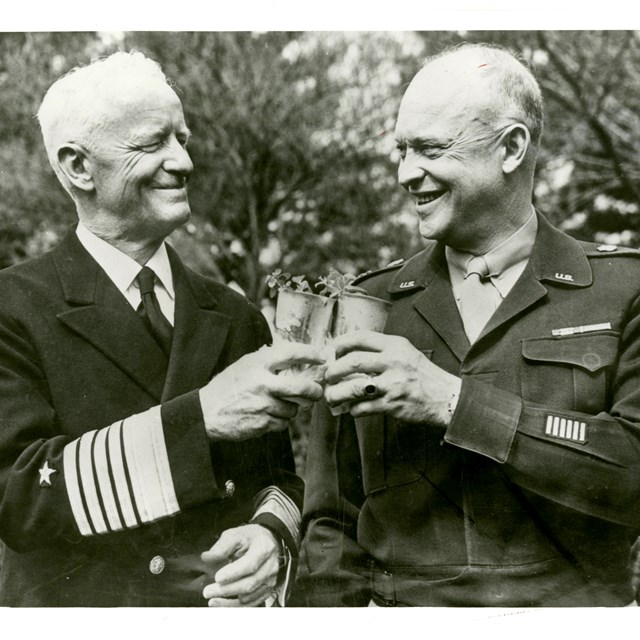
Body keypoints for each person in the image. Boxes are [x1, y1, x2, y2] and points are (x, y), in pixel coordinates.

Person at [295, 43, 640, 607]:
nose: (407, 174)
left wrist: (453, 403)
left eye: (430, 149)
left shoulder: (624, 290)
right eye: (402, 150)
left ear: (511, 148)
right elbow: (331, 525)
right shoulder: (367, 303)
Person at [0, 51, 325, 607]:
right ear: (79, 167)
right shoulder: (13, 306)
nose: (183, 161)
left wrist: (271, 535)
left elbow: (278, 479)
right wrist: (200, 420)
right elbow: (19, 494)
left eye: (182, 138)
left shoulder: (233, 313)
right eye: (153, 144)